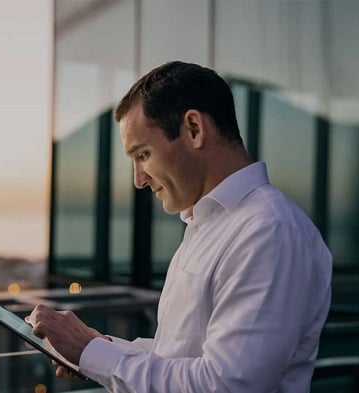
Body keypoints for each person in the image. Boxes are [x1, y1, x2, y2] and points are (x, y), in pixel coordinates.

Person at [28, 61, 332, 392]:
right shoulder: (209, 226)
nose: (138, 180)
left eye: (143, 154)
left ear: (193, 129)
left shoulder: (268, 231)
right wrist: (99, 346)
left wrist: (91, 352)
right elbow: (177, 355)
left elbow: (226, 385)